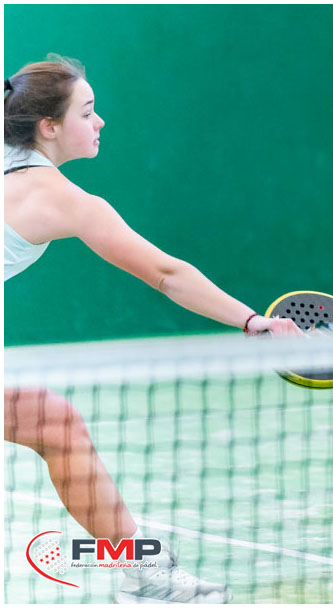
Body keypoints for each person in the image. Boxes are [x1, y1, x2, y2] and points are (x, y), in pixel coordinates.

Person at [4, 55, 303, 603]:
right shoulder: (60, 198)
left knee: (55, 423)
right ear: (48, 127)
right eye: (86, 112)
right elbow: (167, 274)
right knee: (57, 424)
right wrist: (252, 321)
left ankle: (143, 570)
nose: (100, 121)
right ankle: (145, 572)